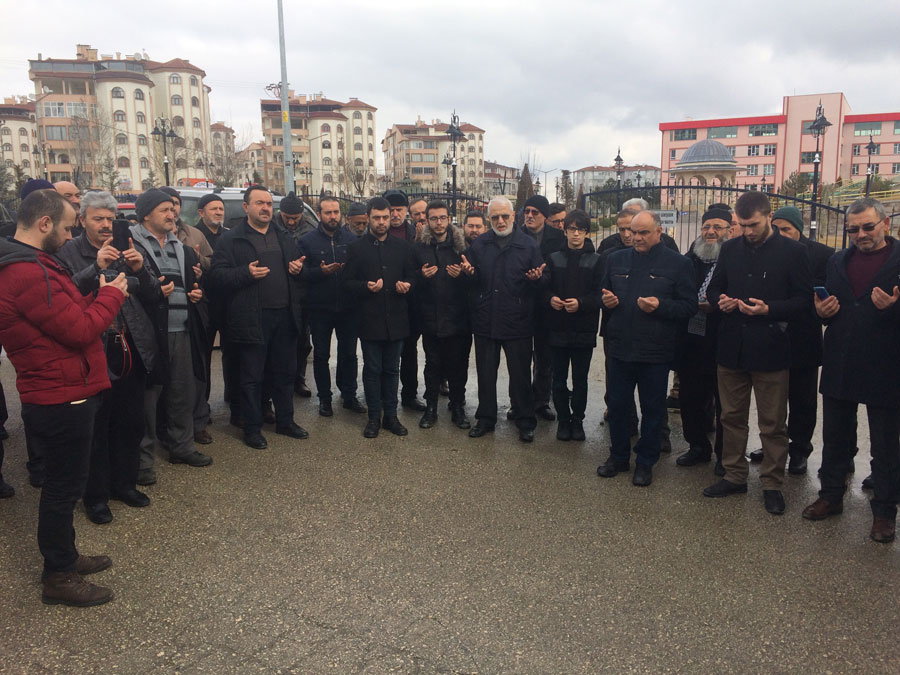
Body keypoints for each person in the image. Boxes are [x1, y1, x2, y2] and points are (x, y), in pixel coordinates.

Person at [0, 189, 126, 607]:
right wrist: (111, 295)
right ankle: (58, 575)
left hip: (63, 387)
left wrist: (95, 296)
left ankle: (66, 557)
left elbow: (65, 317)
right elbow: (78, 331)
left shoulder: (33, 265)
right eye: (69, 228)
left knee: (66, 484)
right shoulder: (27, 273)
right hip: (58, 395)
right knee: (62, 489)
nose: (71, 236)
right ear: (44, 223)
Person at [702, 191, 812, 515]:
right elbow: (714, 287)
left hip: (771, 348)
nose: (748, 231)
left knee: (773, 423)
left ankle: (772, 484)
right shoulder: (730, 248)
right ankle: (734, 476)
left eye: (754, 225)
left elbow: (804, 300)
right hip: (732, 348)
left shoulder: (794, 252)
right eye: (743, 225)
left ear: (769, 217)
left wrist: (770, 309)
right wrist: (720, 299)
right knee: (731, 417)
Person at [56, 191, 159, 524]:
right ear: (82, 220)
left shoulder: (129, 245)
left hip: (131, 345)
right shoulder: (68, 251)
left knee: (130, 422)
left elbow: (154, 293)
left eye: (109, 219)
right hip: (93, 348)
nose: (104, 225)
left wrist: (140, 269)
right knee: (96, 428)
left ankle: (124, 485)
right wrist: (95, 267)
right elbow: (63, 298)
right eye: (97, 218)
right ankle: (96, 496)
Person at [803, 197, 900, 543]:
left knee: (885, 444)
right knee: (835, 437)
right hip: (840, 360)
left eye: (868, 227)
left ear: (885, 224)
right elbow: (828, 306)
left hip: (886, 363)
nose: (861, 234)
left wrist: (894, 308)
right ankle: (830, 496)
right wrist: (821, 312)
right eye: (853, 229)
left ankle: (884, 511)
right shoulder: (837, 260)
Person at [597, 210, 696, 486]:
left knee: (652, 409)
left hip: (655, 351)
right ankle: (618, 457)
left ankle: (645, 461)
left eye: (643, 233)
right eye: (632, 232)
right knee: (618, 406)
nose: (636, 237)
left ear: (658, 232)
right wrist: (606, 301)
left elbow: (689, 306)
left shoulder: (678, 264)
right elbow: (602, 293)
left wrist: (661, 306)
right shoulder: (616, 259)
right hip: (620, 348)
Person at [207, 185, 309, 449]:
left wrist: (298, 269)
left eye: (269, 204)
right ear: (246, 207)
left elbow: (299, 271)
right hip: (251, 319)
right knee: (252, 377)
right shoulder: (231, 239)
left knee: (284, 374)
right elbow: (216, 277)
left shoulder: (283, 236)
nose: (266, 208)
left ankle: (285, 421)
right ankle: (252, 428)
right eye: (259, 203)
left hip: (284, 317)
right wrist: (245, 273)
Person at [130, 190, 212, 479]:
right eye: (164, 210)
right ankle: (142, 462)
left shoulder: (183, 248)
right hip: (148, 335)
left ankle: (182, 447)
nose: (172, 214)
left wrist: (196, 295)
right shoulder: (131, 246)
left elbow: (191, 286)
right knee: (147, 401)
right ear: (146, 214)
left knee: (182, 394)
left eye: (172, 209)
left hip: (182, 330)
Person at [747, 206, 834, 475]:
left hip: (802, 338)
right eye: (777, 229)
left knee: (802, 400)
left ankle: (799, 450)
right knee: (771, 401)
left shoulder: (822, 254)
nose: (781, 234)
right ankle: (773, 446)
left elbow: (822, 293)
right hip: (771, 336)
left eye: (786, 229)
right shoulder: (764, 251)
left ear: (799, 229)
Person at [461, 196, 546, 443]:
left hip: (517, 320)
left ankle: (525, 420)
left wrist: (537, 278)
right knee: (486, 374)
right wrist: (468, 274)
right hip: (486, 319)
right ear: (489, 219)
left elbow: (543, 278)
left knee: (520, 376)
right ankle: (485, 419)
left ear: (513, 216)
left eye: (504, 216)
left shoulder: (528, 245)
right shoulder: (480, 244)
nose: (500, 221)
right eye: (495, 217)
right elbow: (471, 279)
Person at [343, 196, 416, 438]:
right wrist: (365, 286)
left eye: (385, 217)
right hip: (369, 320)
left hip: (396, 319)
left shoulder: (403, 248)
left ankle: (391, 417)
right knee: (373, 370)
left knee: (392, 370)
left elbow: (412, 277)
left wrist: (407, 285)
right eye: (377, 218)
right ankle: (374, 417)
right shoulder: (356, 248)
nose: (382, 222)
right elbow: (346, 283)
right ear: (369, 218)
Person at [297, 196, 366, 417]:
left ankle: (349, 395)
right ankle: (324, 399)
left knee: (349, 355)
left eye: (336, 212)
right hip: (320, 309)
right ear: (319, 214)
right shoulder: (307, 242)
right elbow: (300, 274)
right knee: (321, 356)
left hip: (348, 308)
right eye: (328, 213)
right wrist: (320, 272)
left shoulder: (352, 240)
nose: (333, 217)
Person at [674, 207, 730, 475]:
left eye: (717, 227)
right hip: (692, 340)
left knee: (726, 403)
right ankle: (697, 446)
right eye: (706, 226)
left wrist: (716, 305)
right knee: (690, 397)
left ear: (729, 230)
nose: (710, 232)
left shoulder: (734, 259)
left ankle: (724, 455)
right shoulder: (690, 259)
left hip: (723, 338)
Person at [542, 209, 602, 441]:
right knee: (558, 378)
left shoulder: (596, 260)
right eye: (572, 229)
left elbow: (599, 294)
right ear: (565, 231)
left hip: (583, 329)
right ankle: (563, 420)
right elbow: (544, 288)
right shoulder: (554, 258)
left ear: (587, 233)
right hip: (557, 327)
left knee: (580, 379)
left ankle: (578, 420)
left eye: (581, 230)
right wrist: (550, 299)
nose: (576, 234)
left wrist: (581, 303)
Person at [413, 201, 472, 430]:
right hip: (431, 318)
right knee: (432, 365)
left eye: (442, 218)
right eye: (434, 218)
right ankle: (431, 408)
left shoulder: (462, 247)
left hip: (458, 318)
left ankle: (457, 407)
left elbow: (475, 280)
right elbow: (410, 280)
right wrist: (421, 276)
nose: (438, 223)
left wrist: (464, 275)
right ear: (427, 221)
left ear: (449, 219)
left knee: (457, 366)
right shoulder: (420, 248)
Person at [520, 195, 566, 423]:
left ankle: (541, 401)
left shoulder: (558, 238)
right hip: (520, 303)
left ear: (544, 216)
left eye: (535, 212)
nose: (529, 216)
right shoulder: (516, 235)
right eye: (527, 211)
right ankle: (519, 401)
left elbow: (561, 270)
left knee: (544, 358)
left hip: (548, 305)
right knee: (519, 358)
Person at [273, 192, 315, 398]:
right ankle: (278, 382)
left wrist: (302, 269)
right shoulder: (271, 226)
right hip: (277, 291)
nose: (290, 222)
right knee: (278, 342)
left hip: (302, 293)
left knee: (302, 341)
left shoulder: (311, 228)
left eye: (295, 218)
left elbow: (315, 262)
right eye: (286, 217)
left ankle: (299, 378)